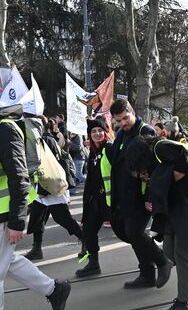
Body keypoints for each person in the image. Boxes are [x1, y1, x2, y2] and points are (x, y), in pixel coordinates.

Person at [0, 67, 70, 310]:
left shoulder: (3, 129)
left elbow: (19, 177)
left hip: (1, 215)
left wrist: (18, 221)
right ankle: (54, 289)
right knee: (6, 262)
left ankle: (54, 290)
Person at [127, 136, 188, 310]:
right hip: (180, 204)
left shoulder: (160, 148)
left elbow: (183, 166)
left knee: (181, 253)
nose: (143, 176)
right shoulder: (156, 158)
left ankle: (183, 301)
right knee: (169, 254)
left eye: (142, 173)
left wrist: (160, 183)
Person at [108, 99, 173, 289]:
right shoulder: (120, 133)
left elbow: (153, 170)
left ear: (132, 111)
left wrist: (149, 198)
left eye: (125, 118)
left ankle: (162, 261)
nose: (123, 123)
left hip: (139, 196)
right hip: (122, 195)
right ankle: (146, 273)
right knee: (126, 232)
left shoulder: (145, 131)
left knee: (134, 232)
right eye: (118, 120)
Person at [24, 116, 85, 261]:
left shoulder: (47, 140)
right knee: (37, 218)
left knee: (62, 218)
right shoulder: (36, 140)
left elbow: (49, 165)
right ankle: (36, 248)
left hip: (51, 188)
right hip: (40, 187)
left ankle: (86, 240)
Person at [75, 118, 113, 277]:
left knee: (129, 233)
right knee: (89, 230)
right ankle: (93, 264)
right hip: (96, 200)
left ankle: (152, 261)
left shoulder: (110, 149)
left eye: (100, 130)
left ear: (105, 132)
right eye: (93, 131)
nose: (97, 134)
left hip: (111, 201)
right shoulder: (93, 151)